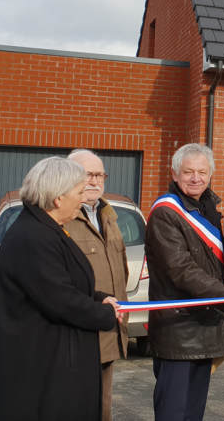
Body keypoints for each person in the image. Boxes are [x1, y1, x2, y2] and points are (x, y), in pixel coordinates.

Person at [0, 157, 123, 421]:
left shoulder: (48, 229)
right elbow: (60, 299)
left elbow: (65, 281)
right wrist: (105, 314)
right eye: (78, 193)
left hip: (51, 360)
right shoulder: (34, 236)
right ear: (58, 199)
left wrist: (99, 298)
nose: (81, 199)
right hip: (37, 368)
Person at [145, 143, 224, 421]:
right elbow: (181, 269)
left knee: (193, 412)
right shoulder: (166, 212)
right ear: (174, 173)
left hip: (204, 324)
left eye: (202, 172)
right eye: (188, 172)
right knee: (174, 412)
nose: (196, 179)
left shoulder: (206, 209)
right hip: (178, 330)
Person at [62, 149, 129, 421]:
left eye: (100, 174)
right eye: (87, 174)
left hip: (108, 326)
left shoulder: (108, 215)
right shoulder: (62, 218)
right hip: (75, 335)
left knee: (102, 406)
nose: (95, 181)